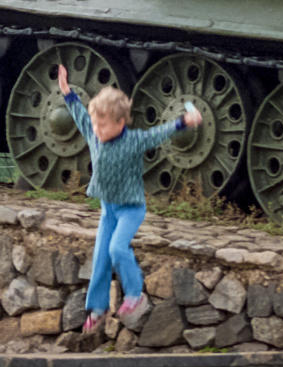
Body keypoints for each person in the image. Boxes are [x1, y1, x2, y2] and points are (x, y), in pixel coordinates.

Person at [57, 64, 202, 333]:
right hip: (108, 209)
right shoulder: (94, 132)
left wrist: (184, 121)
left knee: (117, 249)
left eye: (103, 125)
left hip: (131, 209)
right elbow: (79, 114)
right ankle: (97, 308)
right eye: (96, 124)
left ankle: (135, 294)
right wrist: (67, 91)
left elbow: (158, 133)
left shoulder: (133, 140)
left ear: (120, 123)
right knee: (100, 256)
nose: (97, 130)